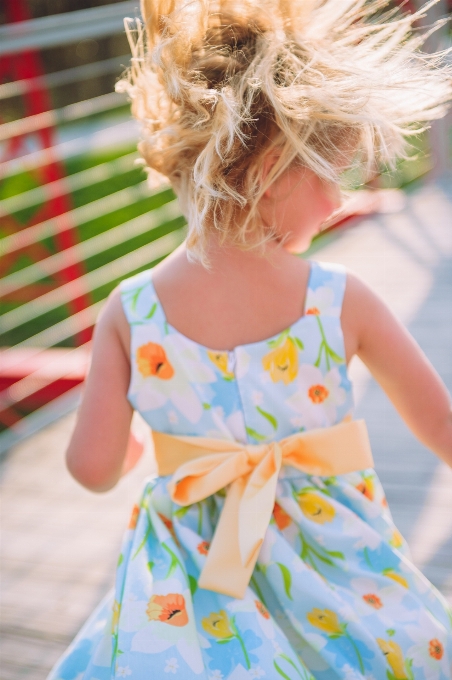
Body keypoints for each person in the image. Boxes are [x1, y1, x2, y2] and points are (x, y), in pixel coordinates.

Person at [48, 1, 452, 678]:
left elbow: (91, 468)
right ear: (269, 168)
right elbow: (443, 425)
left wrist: (141, 448)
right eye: (330, 176)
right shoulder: (338, 298)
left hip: (193, 590)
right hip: (338, 571)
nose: (338, 202)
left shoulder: (132, 310)